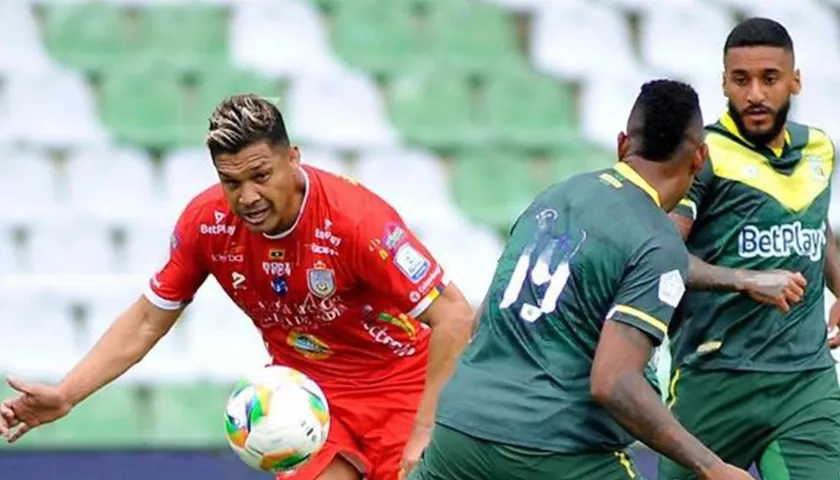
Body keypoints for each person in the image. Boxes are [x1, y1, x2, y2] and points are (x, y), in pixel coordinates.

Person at [0, 94, 476, 480]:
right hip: (308, 399)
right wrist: (67, 394)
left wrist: (427, 427)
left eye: (261, 176)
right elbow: (148, 320)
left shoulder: (357, 221)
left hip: (403, 389)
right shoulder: (207, 224)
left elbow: (454, 314)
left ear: (293, 159)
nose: (247, 197)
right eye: (231, 182)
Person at [407, 80, 753, 480]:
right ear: (699, 159)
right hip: (554, 448)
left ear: (623, 145)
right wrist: (711, 466)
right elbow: (614, 382)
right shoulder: (658, 242)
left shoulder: (556, 195)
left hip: (461, 431)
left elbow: (484, 320)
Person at [659, 18, 840, 480]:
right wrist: (743, 279)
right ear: (724, 83)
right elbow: (658, 254)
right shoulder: (704, 155)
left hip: (806, 381)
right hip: (716, 376)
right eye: (741, 80)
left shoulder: (819, 148)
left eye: (770, 79)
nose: (755, 94)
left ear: (795, 80)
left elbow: (816, 229)